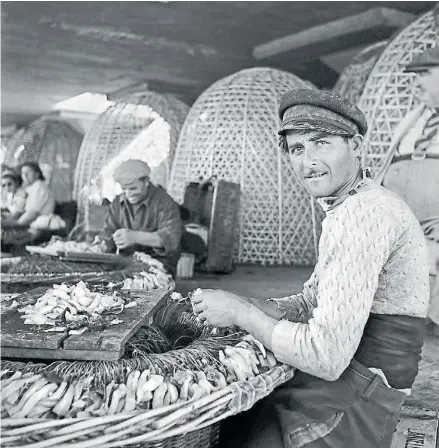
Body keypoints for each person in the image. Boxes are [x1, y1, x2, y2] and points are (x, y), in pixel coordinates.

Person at [193, 90, 430, 447]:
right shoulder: (349, 203)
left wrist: (242, 313)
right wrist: (262, 306)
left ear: (356, 145)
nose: (308, 161)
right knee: (240, 415)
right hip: (355, 375)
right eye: (297, 149)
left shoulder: (364, 213)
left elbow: (326, 356)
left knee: (239, 433)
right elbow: (313, 298)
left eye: (321, 143)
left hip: (362, 393)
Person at [376, 40, 439, 335]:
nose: (416, 83)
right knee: (403, 261)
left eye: (424, 74)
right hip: (403, 211)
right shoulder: (414, 118)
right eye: (413, 77)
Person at [94, 159, 183, 277]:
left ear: (146, 182)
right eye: (124, 189)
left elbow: (171, 239)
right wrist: (100, 246)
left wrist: (135, 237)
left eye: (133, 188)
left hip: (158, 265)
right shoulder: (117, 203)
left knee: (140, 279)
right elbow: (108, 232)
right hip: (125, 262)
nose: (128, 194)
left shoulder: (165, 203)